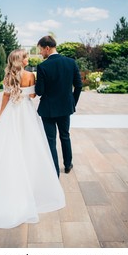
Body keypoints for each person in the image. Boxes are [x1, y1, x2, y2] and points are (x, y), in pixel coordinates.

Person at [0, 49, 65, 229]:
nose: (27, 58)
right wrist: (27, 92)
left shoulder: (8, 76)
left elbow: (6, 95)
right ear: (21, 60)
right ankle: (29, 179)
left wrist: (1, 111)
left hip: (11, 112)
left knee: (8, 144)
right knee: (30, 144)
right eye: (26, 57)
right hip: (26, 112)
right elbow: (33, 95)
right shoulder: (31, 75)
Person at [35, 36, 82, 177]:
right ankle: (68, 165)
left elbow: (39, 92)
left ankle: (55, 172)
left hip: (48, 110)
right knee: (65, 136)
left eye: (41, 50)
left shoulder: (43, 66)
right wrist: (72, 102)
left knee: (51, 140)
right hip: (65, 108)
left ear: (47, 48)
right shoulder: (71, 63)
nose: (41, 53)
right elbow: (79, 85)